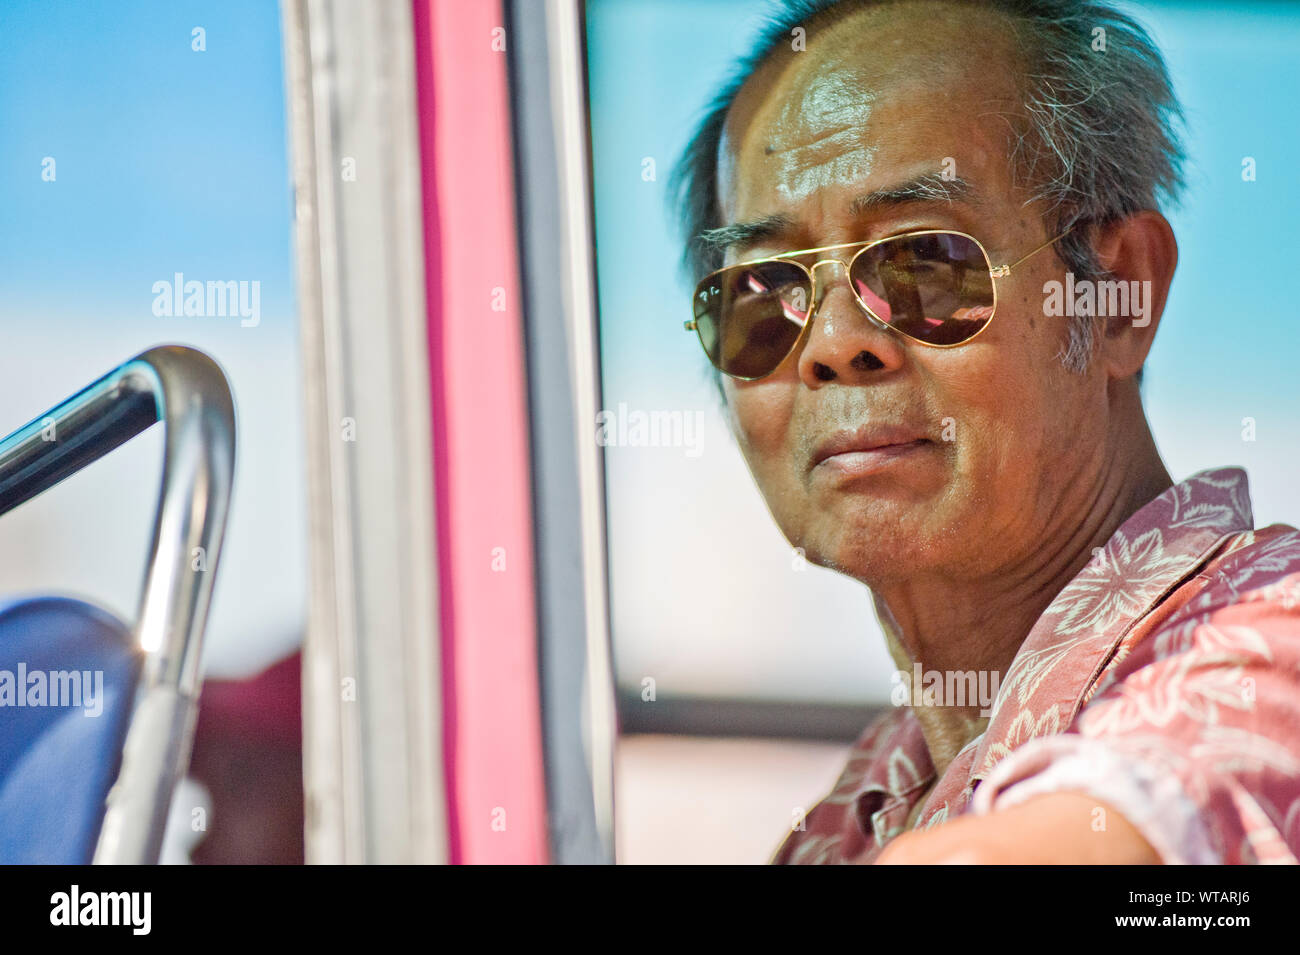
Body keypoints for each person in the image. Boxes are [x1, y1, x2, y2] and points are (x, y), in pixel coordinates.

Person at [670, 0, 1300, 863]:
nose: (832, 344)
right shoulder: (870, 795)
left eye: (923, 263)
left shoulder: (1270, 633)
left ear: (1116, 294)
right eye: (764, 296)